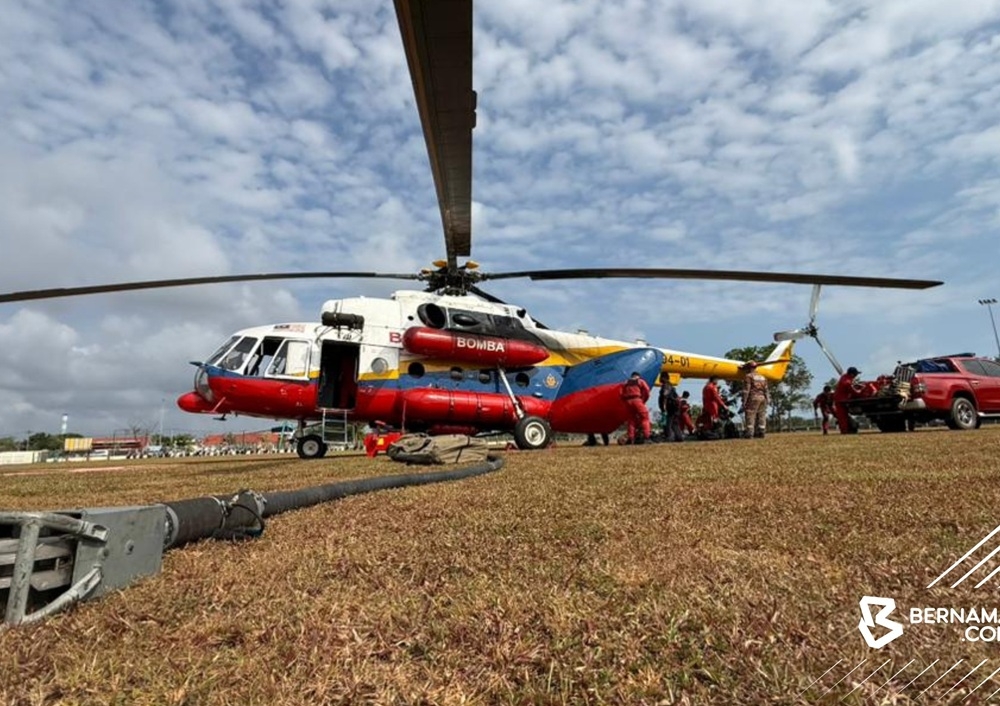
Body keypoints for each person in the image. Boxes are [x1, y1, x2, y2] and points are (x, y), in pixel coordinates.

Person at [620, 371, 651, 444]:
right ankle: (647, 437)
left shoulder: (625, 382)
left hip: (628, 402)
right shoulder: (640, 381)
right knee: (645, 418)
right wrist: (643, 400)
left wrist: (625, 401)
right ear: (638, 376)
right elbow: (647, 391)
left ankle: (631, 438)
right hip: (637, 400)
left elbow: (621, 393)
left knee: (631, 420)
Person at [741, 361, 770, 438]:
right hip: (763, 398)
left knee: (750, 415)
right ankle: (761, 432)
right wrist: (768, 399)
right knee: (762, 415)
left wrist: (744, 401)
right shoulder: (762, 377)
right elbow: (766, 389)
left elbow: (746, 390)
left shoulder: (748, 376)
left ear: (749, 368)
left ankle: (749, 433)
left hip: (753, 398)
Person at [834, 367, 863, 434]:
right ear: (852, 374)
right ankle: (845, 431)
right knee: (842, 416)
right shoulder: (847, 382)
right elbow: (855, 393)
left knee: (844, 416)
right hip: (841, 400)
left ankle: (847, 429)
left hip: (841, 399)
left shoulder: (844, 377)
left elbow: (851, 383)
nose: (856, 376)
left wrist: (856, 384)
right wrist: (861, 390)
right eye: (856, 374)